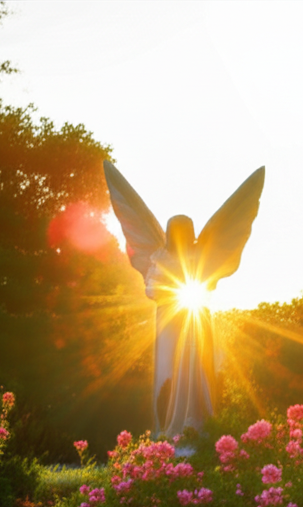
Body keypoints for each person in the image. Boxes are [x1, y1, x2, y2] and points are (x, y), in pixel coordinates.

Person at [104, 161, 264, 439]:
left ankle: (199, 425)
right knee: (169, 371)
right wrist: (168, 291)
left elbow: (206, 282)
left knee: (197, 372)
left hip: (195, 319)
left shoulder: (199, 254)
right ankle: (168, 429)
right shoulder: (160, 257)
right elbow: (153, 289)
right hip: (170, 320)